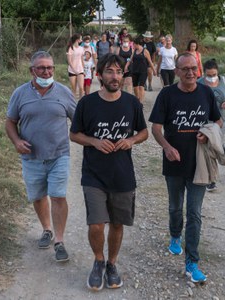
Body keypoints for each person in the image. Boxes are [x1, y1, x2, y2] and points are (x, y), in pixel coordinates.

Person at [70, 53, 148, 291]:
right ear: (99, 75)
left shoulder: (132, 103)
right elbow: (74, 134)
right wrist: (94, 141)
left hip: (123, 174)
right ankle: (98, 260)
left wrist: (131, 140)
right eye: (109, 72)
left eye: (118, 72)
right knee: (96, 224)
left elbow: (143, 132)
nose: (115, 77)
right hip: (94, 174)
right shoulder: (87, 103)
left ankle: (112, 264)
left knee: (117, 224)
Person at [149, 53, 222, 283]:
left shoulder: (206, 93)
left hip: (199, 162)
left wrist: (208, 131)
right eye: (185, 69)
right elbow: (156, 129)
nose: (190, 72)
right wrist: (167, 147)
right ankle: (174, 236)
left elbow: (218, 120)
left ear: (197, 69)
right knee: (174, 207)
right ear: (177, 71)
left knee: (194, 213)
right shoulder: (167, 94)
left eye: (193, 68)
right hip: (174, 162)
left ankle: (192, 263)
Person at [5, 51, 76, 262]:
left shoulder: (63, 92)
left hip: (59, 154)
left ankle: (60, 241)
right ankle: (47, 229)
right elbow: (10, 122)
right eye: (42, 68)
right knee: (38, 196)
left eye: (50, 67)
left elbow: (78, 119)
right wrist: (17, 142)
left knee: (58, 195)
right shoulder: (20, 93)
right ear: (32, 71)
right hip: (31, 157)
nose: (47, 71)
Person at [197, 59, 225, 191]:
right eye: (209, 75)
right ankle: (211, 179)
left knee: (215, 146)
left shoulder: (224, 81)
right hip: (204, 121)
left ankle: (222, 149)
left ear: (217, 72)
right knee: (208, 148)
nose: (212, 78)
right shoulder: (199, 83)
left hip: (220, 120)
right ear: (204, 73)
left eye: (214, 75)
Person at [126, 35, 156, 103]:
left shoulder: (145, 51)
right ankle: (137, 99)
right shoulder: (134, 51)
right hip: (134, 71)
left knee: (141, 87)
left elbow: (150, 62)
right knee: (135, 87)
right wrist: (126, 66)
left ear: (137, 44)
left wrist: (154, 71)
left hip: (143, 71)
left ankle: (141, 103)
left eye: (133, 44)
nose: (133, 45)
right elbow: (130, 59)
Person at [67, 33, 85, 98]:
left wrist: (84, 69)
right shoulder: (70, 48)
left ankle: (81, 103)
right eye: (81, 38)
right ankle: (73, 105)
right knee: (73, 89)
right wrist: (74, 70)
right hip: (72, 71)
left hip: (80, 70)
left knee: (81, 88)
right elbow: (69, 61)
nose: (81, 40)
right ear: (77, 40)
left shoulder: (81, 48)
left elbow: (82, 59)